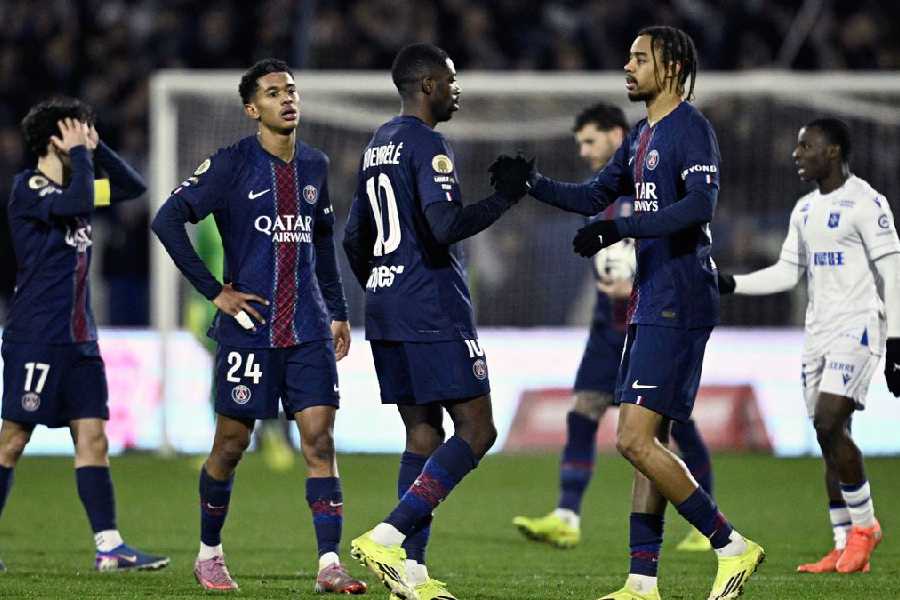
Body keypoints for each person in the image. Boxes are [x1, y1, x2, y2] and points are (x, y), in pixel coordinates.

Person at [491, 25, 763, 600]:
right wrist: (532, 183)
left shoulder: (691, 129)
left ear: (671, 67)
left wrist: (623, 227)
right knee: (648, 445)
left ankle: (731, 546)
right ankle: (642, 582)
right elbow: (594, 195)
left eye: (639, 58)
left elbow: (699, 206)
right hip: (651, 298)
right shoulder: (641, 134)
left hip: (680, 297)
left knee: (633, 440)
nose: (627, 66)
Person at [151, 59, 366, 594]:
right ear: (252, 109)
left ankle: (329, 564)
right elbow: (166, 219)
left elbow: (321, 244)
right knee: (230, 445)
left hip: (308, 328)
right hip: (249, 329)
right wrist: (214, 291)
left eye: (291, 90)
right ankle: (209, 553)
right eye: (273, 93)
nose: (286, 99)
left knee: (319, 442)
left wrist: (338, 311)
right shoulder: (230, 165)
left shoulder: (314, 165)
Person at [343, 43, 524, 600]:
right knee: (478, 429)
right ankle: (388, 537)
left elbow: (353, 238)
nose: (456, 89)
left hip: (386, 306)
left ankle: (411, 573)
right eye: (450, 79)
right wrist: (504, 199)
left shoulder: (377, 144)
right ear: (427, 86)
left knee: (422, 432)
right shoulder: (428, 144)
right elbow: (444, 226)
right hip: (431, 308)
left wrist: (384, 282)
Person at [512, 102, 716, 554]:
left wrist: (637, 280)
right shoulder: (601, 196)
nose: (584, 151)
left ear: (616, 134)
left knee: (671, 425)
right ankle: (566, 515)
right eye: (580, 143)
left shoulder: (650, 187)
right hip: (608, 325)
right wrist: (533, 183)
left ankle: (707, 521)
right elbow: (593, 218)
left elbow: (684, 231)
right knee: (583, 410)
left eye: (590, 141)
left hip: (654, 319)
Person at [718, 117, 899, 574]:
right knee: (828, 435)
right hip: (817, 332)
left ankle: (865, 528)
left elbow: (893, 272)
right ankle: (841, 543)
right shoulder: (804, 209)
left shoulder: (867, 203)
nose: (797, 154)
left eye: (807, 146)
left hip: (858, 327)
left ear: (833, 151)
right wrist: (732, 283)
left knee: (828, 419)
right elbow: (787, 272)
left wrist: (896, 340)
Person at [0, 98, 168, 572]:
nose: (85, 135)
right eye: (78, 128)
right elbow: (75, 202)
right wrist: (81, 156)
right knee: (13, 439)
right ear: (55, 138)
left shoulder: (80, 184)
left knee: (93, 438)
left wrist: (97, 148)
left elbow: (133, 188)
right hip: (36, 337)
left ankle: (109, 546)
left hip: (80, 341)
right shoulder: (29, 187)